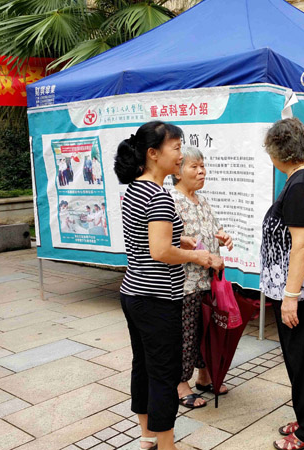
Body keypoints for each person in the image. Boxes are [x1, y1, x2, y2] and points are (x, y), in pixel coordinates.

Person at [114, 120, 221, 450]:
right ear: (153, 153)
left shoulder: (136, 189)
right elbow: (159, 251)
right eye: (175, 148)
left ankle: (147, 435)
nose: (179, 155)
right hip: (158, 298)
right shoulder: (159, 196)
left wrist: (180, 240)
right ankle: (167, 444)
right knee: (164, 373)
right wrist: (197, 256)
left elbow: (148, 240)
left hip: (133, 292)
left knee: (143, 366)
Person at [261, 118, 304, 450]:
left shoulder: (301, 184)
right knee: (301, 359)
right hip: (303, 289)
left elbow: (302, 245)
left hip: (301, 292)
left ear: (280, 152)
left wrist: (290, 297)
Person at [170, 146, 234, 409]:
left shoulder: (201, 200)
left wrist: (223, 236)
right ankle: (181, 384)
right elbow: (168, 241)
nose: (201, 171)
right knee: (186, 334)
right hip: (185, 282)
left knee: (207, 331)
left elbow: (215, 228)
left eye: (202, 166)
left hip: (208, 280)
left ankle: (204, 377)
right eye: (194, 167)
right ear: (178, 172)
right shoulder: (172, 200)